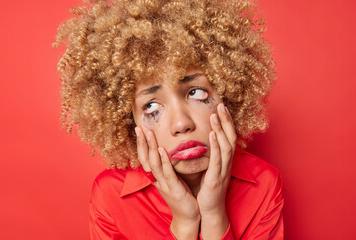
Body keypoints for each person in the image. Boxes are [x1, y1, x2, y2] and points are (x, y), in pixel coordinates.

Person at [53, 0, 284, 239]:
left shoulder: (263, 184)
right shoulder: (112, 196)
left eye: (196, 93)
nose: (181, 124)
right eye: (152, 106)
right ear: (131, 123)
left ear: (227, 96)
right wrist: (185, 223)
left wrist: (214, 215)